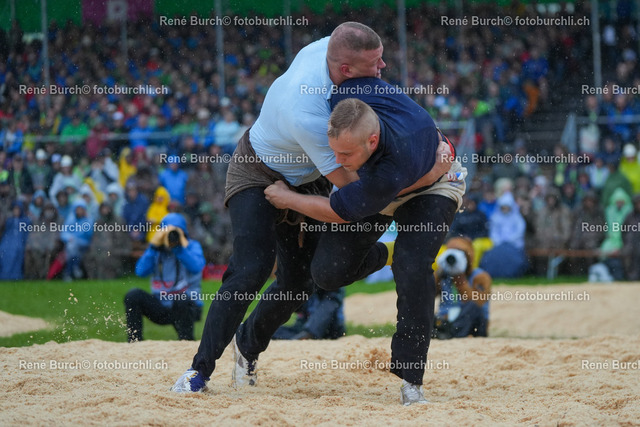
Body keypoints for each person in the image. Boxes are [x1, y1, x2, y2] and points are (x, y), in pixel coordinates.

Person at [171, 22, 439, 401]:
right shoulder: (308, 113)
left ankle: (247, 346)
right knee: (251, 270)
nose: (383, 68)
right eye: (375, 63)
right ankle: (198, 370)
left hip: (309, 176)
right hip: (258, 170)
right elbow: (352, 187)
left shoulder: (331, 47)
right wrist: (426, 173)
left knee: (301, 283)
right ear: (345, 69)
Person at [263, 84, 462, 404]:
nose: (337, 161)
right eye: (334, 152)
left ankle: (411, 380)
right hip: (389, 183)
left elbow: (336, 212)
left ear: (371, 140)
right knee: (327, 273)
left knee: (412, 267)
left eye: (345, 155)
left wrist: (286, 198)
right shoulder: (349, 96)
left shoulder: (394, 160)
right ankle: (391, 253)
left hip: (434, 185)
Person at [124, 213, 205, 342]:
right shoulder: (156, 250)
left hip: (187, 305)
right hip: (161, 304)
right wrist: (153, 248)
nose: (170, 236)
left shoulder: (191, 246)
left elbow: (196, 267)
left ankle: (186, 342)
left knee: (182, 299)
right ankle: (135, 342)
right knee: (133, 295)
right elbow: (140, 272)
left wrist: (179, 249)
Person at [433, 237, 492, 339]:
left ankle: (451, 333)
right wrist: (437, 275)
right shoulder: (444, 275)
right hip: (446, 321)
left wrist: (460, 280)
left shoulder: (480, 276)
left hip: (472, 323)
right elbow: (426, 297)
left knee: (473, 307)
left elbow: (478, 303)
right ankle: (444, 330)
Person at [272, 287, 345, 340]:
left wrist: (310, 332)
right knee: (271, 330)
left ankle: (307, 335)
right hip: (302, 326)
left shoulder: (331, 280)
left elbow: (328, 307)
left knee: (327, 306)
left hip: (328, 330)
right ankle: (303, 336)